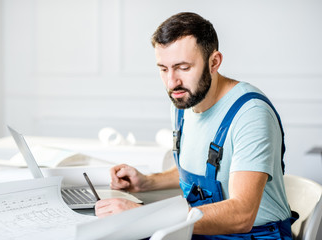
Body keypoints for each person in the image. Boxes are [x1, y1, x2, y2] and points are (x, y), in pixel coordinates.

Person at [95, 12, 296, 239]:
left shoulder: (250, 114)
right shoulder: (183, 102)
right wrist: (146, 182)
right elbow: (204, 172)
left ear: (214, 62)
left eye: (183, 67)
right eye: (163, 68)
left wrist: (143, 216)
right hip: (202, 230)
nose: (172, 82)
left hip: (255, 235)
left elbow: (242, 213)